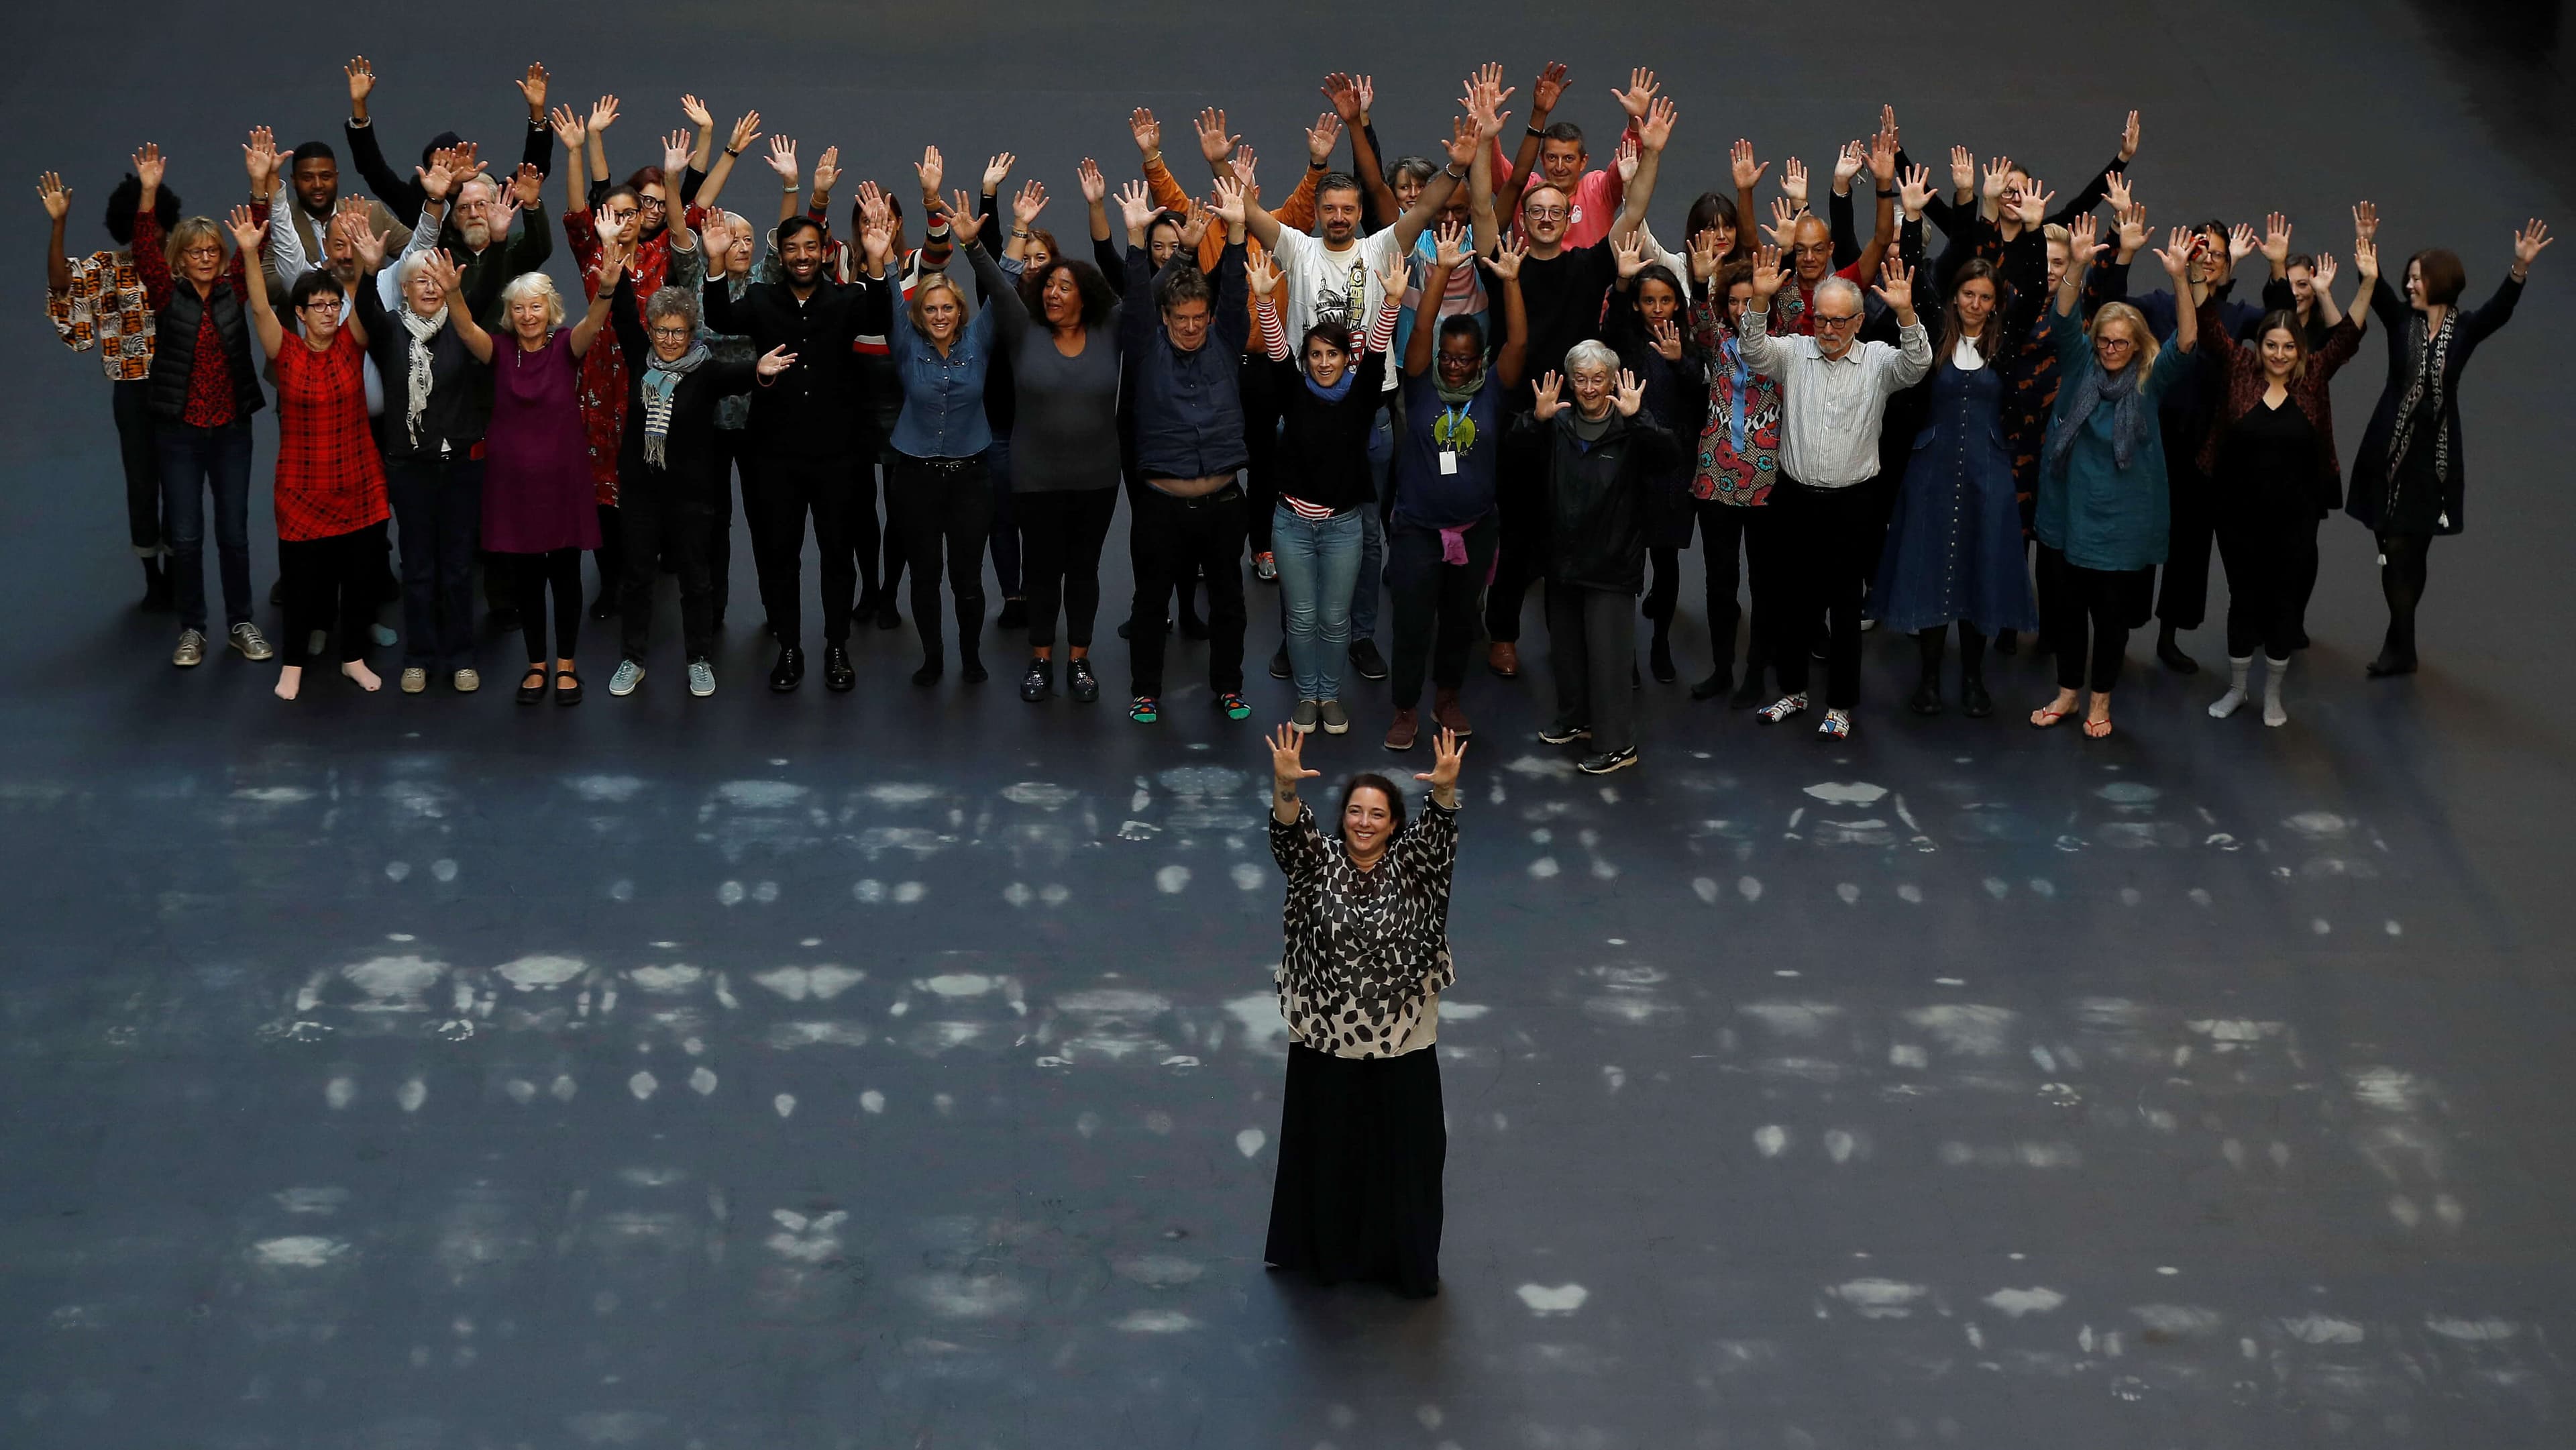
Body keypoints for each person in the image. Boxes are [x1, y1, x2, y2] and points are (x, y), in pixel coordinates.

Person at [1263, 721, 1467, 1300]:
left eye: (1377, 814)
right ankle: (1326, 1255)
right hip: (1328, 1039)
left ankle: (1402, 1261)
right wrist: (1284, 787)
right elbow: (1287, 832)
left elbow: (1441, 835)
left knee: (1406, 1158)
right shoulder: (1315, 862)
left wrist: (1446, 791)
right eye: (1355, 811)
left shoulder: (1416, 868)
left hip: (1401, 1040)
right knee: (1330, 1152)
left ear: (1395, 824)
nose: (1364, 823)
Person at [1481, 97, 1677, 676]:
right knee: (1517, 531)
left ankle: (1586, 644)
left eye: (1553, 210)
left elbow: (1634, 208)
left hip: (1583, 414)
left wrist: (1653, 152)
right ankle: (1503, 634)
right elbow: (1482, 208)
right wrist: (1486, 144)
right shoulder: (1504, 265)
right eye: (1534, 209)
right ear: (1525, 219)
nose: (1543, 217)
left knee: (1580, 530)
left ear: (1567, 215)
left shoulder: (1588, 263)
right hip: (1523, 412)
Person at [699, 191, 894, 694]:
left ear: (825, 250)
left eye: (811, 247)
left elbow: (881, 320)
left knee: (836, 556)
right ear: (781, 255)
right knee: (781, 554)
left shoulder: (849, 300)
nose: (802, 256)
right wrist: (717, 260)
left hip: (839, 455)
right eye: (792, 249)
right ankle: (789, 647)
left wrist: (876, 260)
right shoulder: (761, 300)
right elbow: (720, 318)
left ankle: (836, 647)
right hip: (775, 456)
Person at [2345, 206, 2549, 676]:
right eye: (2409, 277)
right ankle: (2402, 644)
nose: (2410, 284)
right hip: (2387, 454)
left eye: (2418, 278)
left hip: (2431, 462)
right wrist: (2365, 244)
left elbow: (2501, 309)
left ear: (2441, 281)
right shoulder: (2399, 321)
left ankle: (2400, 647)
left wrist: (2520, 267)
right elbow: (2372, 286)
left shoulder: (2466, 329)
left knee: (2412, 553)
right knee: (2391, 549)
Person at [1737, 246, 1933, 739]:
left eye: (1838, 322)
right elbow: (1753, 353)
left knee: (1845, 607)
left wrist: (1908, 313)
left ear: (1859, 322)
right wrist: (1760, 301)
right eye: (1820, 320)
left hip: (1853, 503)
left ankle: (1841, 704)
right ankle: (1793, 691)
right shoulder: (1793, 352)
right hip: (1796, 497)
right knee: (1793, 602)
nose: (1826, 330)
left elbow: (1919, 365)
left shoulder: (1880, 362)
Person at [1868, 201, 2052, 719]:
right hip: (1931, 471)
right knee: (1929, 570)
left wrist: (2035, 231)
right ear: (1955, 296)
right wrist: (1909, 218)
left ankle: (1973, 679)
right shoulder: (1934, 331)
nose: (1975, 303)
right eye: (1968, 294)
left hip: (1988, 474)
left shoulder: (2006, 341)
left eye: (1985, 297)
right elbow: (1913, 271)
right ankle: (1928, 680)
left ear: (1996, 304)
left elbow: (2037, 287)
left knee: (1977, 571)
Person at [605, 206, 786, 699]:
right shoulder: (640, 355)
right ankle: (632, 658)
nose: (667, 340)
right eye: (660, 330)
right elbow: (622, 311)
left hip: (691, 493)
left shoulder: (705, 370)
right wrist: (615, 252)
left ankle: (699, 658)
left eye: (678, 331)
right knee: (638, 578)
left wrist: (763, 368)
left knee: (696, 580)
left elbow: (744, 374)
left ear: (691, 333)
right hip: (642, 492)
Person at [2029, 225, 2202, 739]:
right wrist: (2077, 266)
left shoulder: (2151, 376)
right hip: (2069, 512)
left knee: (2110, 619)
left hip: (2122, 521)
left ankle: (2099, 701)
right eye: (2104, 340)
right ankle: (2066, 692)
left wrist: (2179, 280)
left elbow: (2188, 341)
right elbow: (2062, 318)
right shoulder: (2079, 361)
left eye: (2121, 343)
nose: (2111, 349)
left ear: (2137, 345)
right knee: (2065, 612)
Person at [2196, 236, 2367, 726]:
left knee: (2283, 604)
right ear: (2259, 346)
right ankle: (2236, 689)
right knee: (2242, 599)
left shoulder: (2313, 379)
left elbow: (2350, 336)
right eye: (2270, 344)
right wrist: (2195, 275)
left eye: (2287, 347)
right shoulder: (2239, 369)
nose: (2277, 353)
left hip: (2294, 517)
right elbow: (2207, 323)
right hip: (2237, 515)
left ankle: (2272, 695)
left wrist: (2369, 281)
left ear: (2299, 352)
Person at [967, 180, 1124, 704]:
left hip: (1097, 479)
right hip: (1035, 478)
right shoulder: (1023, 328)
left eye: (1064, 287)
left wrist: (1178, 245)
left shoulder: (1111, 330)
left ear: (1086, 295)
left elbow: (1146, 290)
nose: (1053, 292)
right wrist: (974, 243)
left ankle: (1078, 660)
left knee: (1083, 571)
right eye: (1049, 286)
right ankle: (1040, 657)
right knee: (1040, 571)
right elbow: (993, 278)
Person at [223, 203, 389, 701]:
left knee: (361, 581)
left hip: (360, 482)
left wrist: (366, 263)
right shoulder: (285, 351)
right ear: (299, 312)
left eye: (330, 305)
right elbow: (257, 307)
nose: (324, 312)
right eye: (315, 305)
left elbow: (365, 305)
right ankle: (292, 663)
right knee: (302, 586)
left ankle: (353, 658)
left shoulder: (351, 342)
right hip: (302, 490)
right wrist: (251, 253)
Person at [125, 145, 276, 669]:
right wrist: (148, 190)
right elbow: (145, 246)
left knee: (233, 533)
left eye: (214, 249)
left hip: (232, 429)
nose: (208, 257)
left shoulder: (237, 286)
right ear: (181, 259)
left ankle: (241, 622)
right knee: (186, 537)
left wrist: (259, 187)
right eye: (196, 251)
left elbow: (257, 241)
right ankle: (193, 628)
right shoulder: (166, 295)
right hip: (180, 433)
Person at [1384, 224, 1528, 750]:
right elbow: (1419, 332)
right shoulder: (1421, 382)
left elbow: (1519, 342)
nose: (1456, 364)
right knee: (1412, 621)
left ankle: (1447, 697)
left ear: (1480, 358)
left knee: (1460, 622)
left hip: (1475, 530)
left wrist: (1510, 281)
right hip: (1418, 531)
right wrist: (1441, 270)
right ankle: (1404, 708)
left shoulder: (1492, 387)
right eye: (1450, 355)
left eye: (1466, 357)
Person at [1252, 248, 1407, 735]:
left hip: (1342, 528)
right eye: (1315, 355)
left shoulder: (1362, 394)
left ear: (1347, 359)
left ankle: (1330, 695)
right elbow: (1276, 346)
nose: (1322, 363)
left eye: (1332, 355)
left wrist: (1393, 303)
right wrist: (1262, 301)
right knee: (1301, 618)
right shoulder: (1292, 389)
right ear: (1306, 359)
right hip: (1292, 525)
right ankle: (1306, 696)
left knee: (1336, 620)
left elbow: (1379, 344)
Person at [1117, 178, 1252, 725]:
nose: (1193, 327)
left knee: (1229, 603)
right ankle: (1145, 689)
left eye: (1200, 317)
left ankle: (1229, 686)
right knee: (1151, 604)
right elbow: (1135, 304)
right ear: (1166, 320)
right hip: (1160, 506)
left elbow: (1237, 294)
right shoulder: (1147, 348)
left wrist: (1238, 232)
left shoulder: (1224, 339)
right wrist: (1133, 240)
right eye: (1182, 320)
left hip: (1223, 503)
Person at [472, 221, 623, 705]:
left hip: (563, 481)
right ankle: (536, 664)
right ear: (509, 315)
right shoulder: (495, 351)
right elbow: (462, 325)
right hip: (513, 485)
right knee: (527, 581)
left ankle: (567, 666)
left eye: (536, 305)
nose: (528, 314)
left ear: (550, 309)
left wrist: (608, 288)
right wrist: (455, 294)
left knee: (565, 575)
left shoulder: (566, 347)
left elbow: (597, 320)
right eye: (519, 308)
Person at [1521, 350, 1680, 774]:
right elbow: (1515, 458)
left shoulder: (1631, 425)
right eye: (1581, 379)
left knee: (1610, 660)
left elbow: (1669, 458)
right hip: (1564, 558)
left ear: (1612, 381)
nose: (1590, 388)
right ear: (1570, 382)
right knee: (1568, 650)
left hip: (1612, 561)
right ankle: (1575, 719)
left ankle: (1617, 745)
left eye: (1598, 379)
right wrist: (1533, 421)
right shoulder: (1554, 422)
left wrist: (1640, 417)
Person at [356, 238, 492, 696]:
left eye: (436, 279)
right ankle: (418, 656)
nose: (429, 287)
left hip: (460, 468)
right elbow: (366, 307)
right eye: (420, 280)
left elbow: (487, 296)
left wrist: (459, 293)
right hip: (409, 467)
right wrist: (369, 268)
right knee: (416, 566)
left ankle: (461, 656)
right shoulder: (389, 329)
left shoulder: (463, 325)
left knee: (456, 567)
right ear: (404, 288)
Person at [42, 168, 175, 614]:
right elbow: (63, 287)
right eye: (141, 219)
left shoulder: (183, 262)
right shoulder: (105, 267)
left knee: (181, 480)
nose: (150, 228)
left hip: (180, 387)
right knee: (141, 483)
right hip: (133, 391)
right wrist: (59, 224)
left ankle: (178, 570)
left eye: (155, 219)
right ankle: (152, 578)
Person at [886, 190, 1002, 687]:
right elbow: (887, 289)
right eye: (930, 307)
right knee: (925, 574)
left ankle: (971, 657)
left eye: (947, 307)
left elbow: (1005, 285)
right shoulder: (905, 342)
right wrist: (883, 254)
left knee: (968, 578)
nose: (938, 314)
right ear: (920, 314)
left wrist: (1009, 232)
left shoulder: (979, 339)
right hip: (913, 475)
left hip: (972, 476)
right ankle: (932, 658)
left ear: (959, 310)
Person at [1603, 237, 1705, 685]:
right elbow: (1607, 337)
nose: (1658, 309)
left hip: (1672, 467)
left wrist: (1682, 362)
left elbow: (1701, 398)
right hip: (1628, 465)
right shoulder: (1625, 341)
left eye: (1666, 300)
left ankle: (1660, 641)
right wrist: (1623, 283)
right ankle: (1622, 654)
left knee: (1666, 563)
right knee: (1625, 565)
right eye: (1649, 301)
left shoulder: (1688, 342)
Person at [1489, 62, 1658, 250]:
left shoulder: (1598, 190)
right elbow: (1492, 167)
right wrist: (1485, 124)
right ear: (1541, 159)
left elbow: (1628, 160)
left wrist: (1635, 124)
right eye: (1552, 157)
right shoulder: (1527, 189)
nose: (1560, 167)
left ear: (1583, 162)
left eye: (1569, 158)